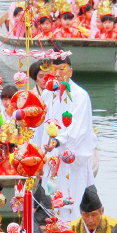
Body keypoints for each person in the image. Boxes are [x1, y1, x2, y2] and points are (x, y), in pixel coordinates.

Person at [32, 56, 97, 221]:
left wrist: (57, 141)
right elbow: (40, 127)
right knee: (51, 200)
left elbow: (78, 129)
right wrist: (38, 154)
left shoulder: (80, 95)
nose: (58, 73)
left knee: (73, 202)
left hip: (71, 158)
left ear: (70, 71)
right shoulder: (47, 93)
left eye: (62, 68)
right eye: (54, 69)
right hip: (50, 157)